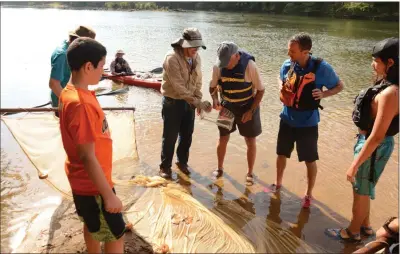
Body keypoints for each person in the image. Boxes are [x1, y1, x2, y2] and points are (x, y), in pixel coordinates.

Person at [325, 38, 398, 242]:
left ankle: (352, 232)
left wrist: (355, 164)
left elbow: (377, 136)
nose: (372, 64)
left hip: (373, 146)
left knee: (360, 190)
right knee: (364, 187)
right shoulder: (388, 85)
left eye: (376, 60)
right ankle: (365, 226)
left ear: (390, 63)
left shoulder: (391, 93)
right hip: (371, 145)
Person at [58, 37, 125, 253]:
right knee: (116, 234)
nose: (103, 71)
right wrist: (108, 195)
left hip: (83, 180)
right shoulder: (81, 104)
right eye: (101, 66)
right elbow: (87, 156)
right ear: (88, 66)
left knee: (92, 223)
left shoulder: (69, 93)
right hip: (94, 185)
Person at [274, 33, 344, 208]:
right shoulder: (287, 64)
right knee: (281, 154)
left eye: (292, 51)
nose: (289, 54)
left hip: (308, 122)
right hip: (287, 118)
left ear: (306, 52)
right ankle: (278, 184)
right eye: (288, 50)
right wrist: (281, 86)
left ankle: (308, 194)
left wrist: (324, 93)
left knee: (309, 160)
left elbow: (340, 86)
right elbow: (279, 77)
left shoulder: (322, 68)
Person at [209, 42, 265, 186]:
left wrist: (251, 111)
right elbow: (213, 87)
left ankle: (250, 172)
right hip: (227, 107)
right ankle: (219, 168)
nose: (225, 65)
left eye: (228, 62)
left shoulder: (250, 65)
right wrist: (215, 99)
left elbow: (260, 90)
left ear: (236, 56)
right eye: (223, 62)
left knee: (250, 140)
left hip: (247, 106)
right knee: (223, 138)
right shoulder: (218, 67)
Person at [159, 27, 212, 179]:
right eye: (193, 46)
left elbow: (198, 81)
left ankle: (182, 162)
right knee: (170, 136)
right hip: (173, 102)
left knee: (187, 135)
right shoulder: (172, 58)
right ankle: (165, 167)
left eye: (198, 46)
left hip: (189, 103)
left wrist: (198, 101)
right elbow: (179, 88)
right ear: (184, 43)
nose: (196, 49)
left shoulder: (196, 57)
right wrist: (198, 103)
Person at [49, 25, 96, 114]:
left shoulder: (72, 49)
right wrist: (69, 101)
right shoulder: (62, 55)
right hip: (63, 100)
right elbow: (54, 84)